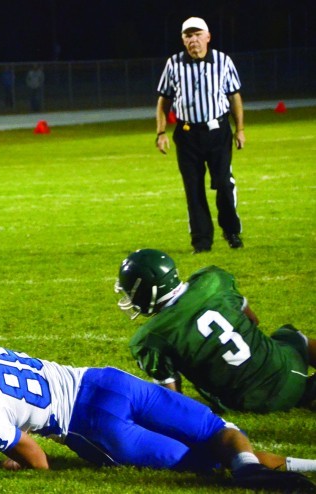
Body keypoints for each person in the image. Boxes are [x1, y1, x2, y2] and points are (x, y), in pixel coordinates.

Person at [0, 326, 316, 492]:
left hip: (93, 428)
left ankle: (248, 471)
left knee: (205, 464)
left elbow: (38, 461)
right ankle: (263, 464)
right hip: (106, 383)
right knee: (219, 429)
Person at [114, 248, 316, 413]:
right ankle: (306, 392)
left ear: (148, 291)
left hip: (247, 403)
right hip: (288, 371)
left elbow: (172, 397)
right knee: (291, 337)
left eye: (130, 292)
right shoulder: (212, 280)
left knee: (283, 341)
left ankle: (306, 395)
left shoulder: (150, 338)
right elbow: (253, 319)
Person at [155, 17, 245, 254]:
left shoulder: (223, 61)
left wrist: (241, 129)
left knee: (224, 184)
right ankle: (201, 242)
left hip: (218, 132)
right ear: (183, 40)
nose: (193, 40)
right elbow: (164, 100)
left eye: (197, 35)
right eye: (188, 36)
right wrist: (161, 131)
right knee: (193, 190)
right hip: (186, 135)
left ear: (208, 36)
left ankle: (231, 229)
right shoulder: (173, 64)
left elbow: (234, 96)